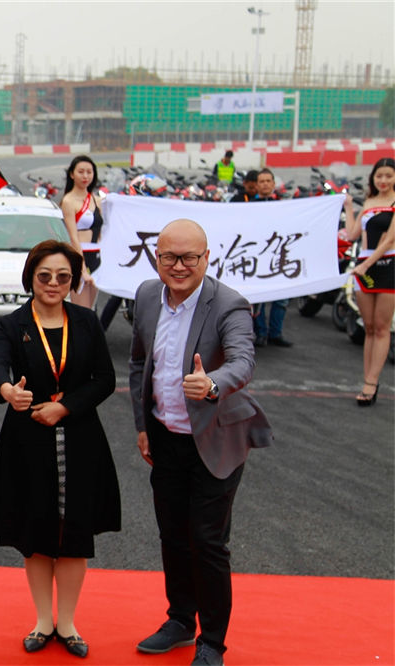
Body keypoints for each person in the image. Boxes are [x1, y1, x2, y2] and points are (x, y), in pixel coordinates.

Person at [129, 219, 272, 666]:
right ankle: (179, 620)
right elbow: (139, 363)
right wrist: (142, 424)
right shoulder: (147, 295)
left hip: (215, 440)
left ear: (206, 258)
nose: (178, 266)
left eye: (189, 257)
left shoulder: (229, 304)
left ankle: (211, 642)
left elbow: (243, 361)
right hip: (165, 436)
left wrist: (211, 384)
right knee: (172, 534)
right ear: (157, 257)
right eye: (169, 257)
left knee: (207, 541)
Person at [0, 239, 120, 658]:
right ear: (31, 278)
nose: (53, 283)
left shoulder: (87, 322)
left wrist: (65, 406)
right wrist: (7, 390)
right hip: (27, 441)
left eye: (63, 276)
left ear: (73, 281)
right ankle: (43, 621)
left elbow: (105, 379)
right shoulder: (12, 324)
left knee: (74, 532)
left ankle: (68, 623)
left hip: (81, 438)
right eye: (45, 276)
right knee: (36, 532)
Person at [340, 157, 395, 405]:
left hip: (388, 266)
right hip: (364, 269)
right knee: (369, 327)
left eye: (389, 176)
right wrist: (349, 207)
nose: (383, 180)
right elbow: (353, 234)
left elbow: (389, 241)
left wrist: (365, 264)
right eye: (379, 175)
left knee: (382, 328)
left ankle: (371, 383)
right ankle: (367, 378)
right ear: (373, 178)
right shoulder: (369, 202)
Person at [247, 169, 290, 348]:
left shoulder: (283, 206)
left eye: (268, 181)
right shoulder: (248, 207)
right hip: (258, 257)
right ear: (257, 185)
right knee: (259, 299)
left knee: (282, 298)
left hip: (279, 255)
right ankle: (261, 333)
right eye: (261, 181)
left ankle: (276, 333)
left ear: (273, 184)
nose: (265, 184)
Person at [60, 156, 103, 310]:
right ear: (72, 174)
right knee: (81, 311)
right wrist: (82, 269)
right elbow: (73, 237)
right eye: (81, 172)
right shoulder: (68, 201)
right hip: (78, 257)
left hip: (96, 257)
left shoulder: (97, 200)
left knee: (91, 310)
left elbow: (102, 233)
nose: (85, 176)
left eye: (89, 172)